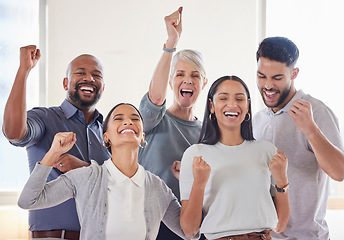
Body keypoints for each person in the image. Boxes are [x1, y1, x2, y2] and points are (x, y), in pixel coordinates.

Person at [18, 103, 199, 240]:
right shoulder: (86, 177)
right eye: (119, 118)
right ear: (106, 137)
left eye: (135, 119)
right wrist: (53, 153)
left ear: (143, 137)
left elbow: (190, 232)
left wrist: (190, 181)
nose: (128, 121)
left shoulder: (158, 187)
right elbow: (28, 200)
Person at [2, 45, 110, 239]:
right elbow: (13, 132)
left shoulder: (109, 132)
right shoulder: (44, 118)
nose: (89, 78)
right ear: (65, 83)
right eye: (81, 73)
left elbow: (117, 185)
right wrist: (23, 71)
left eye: (97, 75)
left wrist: (84, 168)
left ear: (103, 86)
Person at [253, 36, 344, 240]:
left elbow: (340, 172)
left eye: (277, 78)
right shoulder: (258, 119)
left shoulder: (316, 112)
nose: (268, 86)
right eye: (262, 76)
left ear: (294, 73)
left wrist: (310, 130)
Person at [179, 75, 290, 240]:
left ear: (247, 106)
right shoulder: (195, 154)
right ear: (211, 105)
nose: (232, 104)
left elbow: (280, 225)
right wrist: (199, 183)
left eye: (239, 98)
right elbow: (189, 230)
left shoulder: (267, 151)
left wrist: (282, 180)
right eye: (223, 98)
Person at [138, 7, 208, 239]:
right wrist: (171, 43)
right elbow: (156, 99)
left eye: (195, 75)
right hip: (152, 228)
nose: (187, 80)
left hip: (193, 229)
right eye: (180, 74)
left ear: (204, 83)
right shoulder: (153, 120)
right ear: (170, 82)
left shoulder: (208, 133)